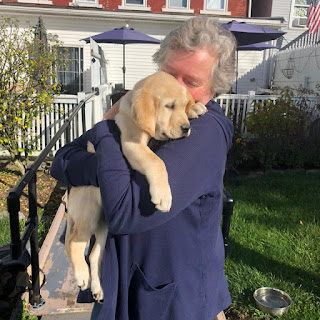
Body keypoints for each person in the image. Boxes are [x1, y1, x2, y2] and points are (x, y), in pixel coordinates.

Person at [50, 16, 236, 320]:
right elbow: (62, 161)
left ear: (214, 89)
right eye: (169, 73)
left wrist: (107, 129)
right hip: (121, 283)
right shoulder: (146, 101)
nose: (176, 90)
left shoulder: (206, 133)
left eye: (191, 82)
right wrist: (105, 170)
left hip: (171, 300)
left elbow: (125, 211)